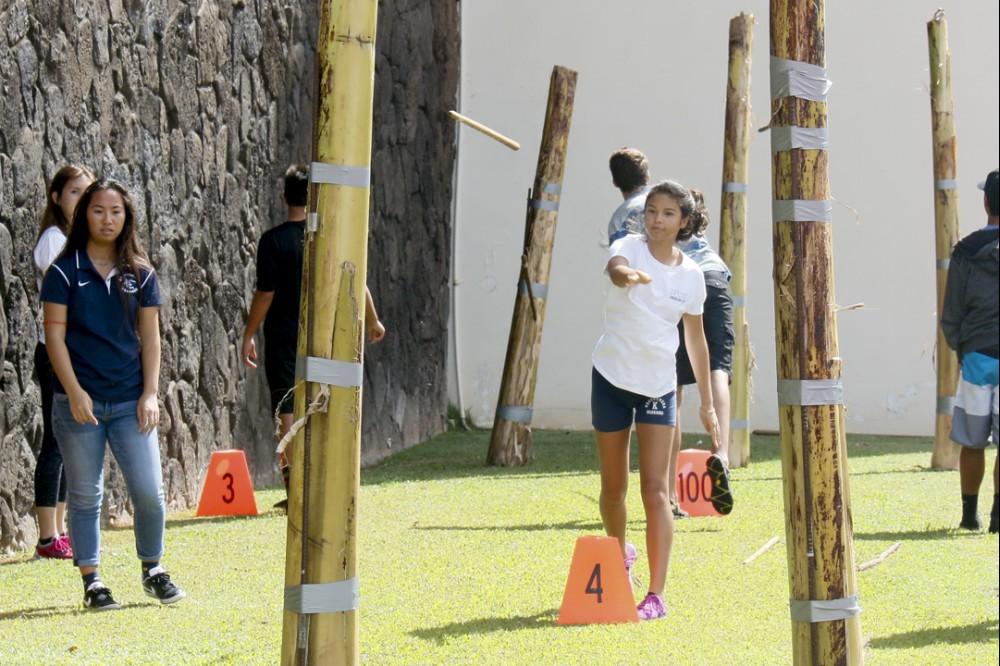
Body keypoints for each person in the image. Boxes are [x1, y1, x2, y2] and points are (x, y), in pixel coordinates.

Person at [41, 178, 184, 610]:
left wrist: (150, 394)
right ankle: (93, 582)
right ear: (85, 214)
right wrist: (74, 392)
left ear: (127, 218)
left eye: (116, 211)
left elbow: (151, 338)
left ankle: (153, 569)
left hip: (129, 402)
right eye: (99, 210)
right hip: (78, 404)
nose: (107, 219)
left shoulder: (141, 273)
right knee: (86, 495)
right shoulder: (63, 272)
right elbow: (54, 338)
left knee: (149, 492)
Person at [592, 180, 720, 621]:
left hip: (658, 387)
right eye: (651, 211)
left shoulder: (692, 275)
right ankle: (618, 558)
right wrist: (628, 276)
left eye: (667, 213)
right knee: (613, 489)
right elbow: (616, 269)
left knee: (655, 490)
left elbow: (697, 341)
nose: (656, 220)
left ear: (684, 221)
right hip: (610, 378)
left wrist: (707, 403)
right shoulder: (628, 246)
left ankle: (656, 594)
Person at [241, 164, 386, 510]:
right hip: (324, 333)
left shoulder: (273, 241)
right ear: (316, 196)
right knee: (323, 401)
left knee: (286, 407)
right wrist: (374, 320)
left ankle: (296, 490)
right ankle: (325, 484)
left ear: (284, 197)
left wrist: (249, 333)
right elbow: (357, 279)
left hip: (282, 336)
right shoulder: (329, 236)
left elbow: (265, 294)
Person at [32, 164, 94, 559]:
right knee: (56, 442)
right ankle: (46, 537)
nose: (81, 200)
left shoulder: (76, 240)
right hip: (57, 354)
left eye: (86, 193)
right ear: (57, 197)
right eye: (74, 192)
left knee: (71, 440)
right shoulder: (54, 240)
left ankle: (59, 531)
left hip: (77, 354)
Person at [941, 168, 999, 533]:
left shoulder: (965, 251)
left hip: (976, 356)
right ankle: (998, 516)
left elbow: (951, 314)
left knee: (973, 441)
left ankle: (969, 515)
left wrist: (962, 349)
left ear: (986, 203)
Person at [671, 189, 735, 516]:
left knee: (673, 384)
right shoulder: (700, 237)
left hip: (683, 287)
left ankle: (670, 482)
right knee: (718, 369)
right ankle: (721, 453)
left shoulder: (665, 241)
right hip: (715, 280)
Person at [607, 147, 651, 245]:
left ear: (615, 182)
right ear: (648, 176)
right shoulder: (673, 200)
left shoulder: (619, 219)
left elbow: (619, 253)